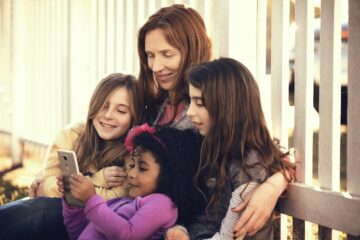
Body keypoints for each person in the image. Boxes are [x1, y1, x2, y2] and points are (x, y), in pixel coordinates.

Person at [137, 4, 292, 237]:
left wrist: (274, 183)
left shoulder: (209, 120)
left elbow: (268, 156)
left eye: (167, 54)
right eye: (150, 56)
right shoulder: (155, 107)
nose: (156, 67)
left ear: (191, 49)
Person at [0, 73, 139, 239]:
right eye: (103, 106)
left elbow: (114, 201)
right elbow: (46, 184)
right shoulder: (71, 135)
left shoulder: (133, 154)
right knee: (36, 209)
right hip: (55, 217)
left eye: (121, 110)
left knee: (46, 209)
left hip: (93, 229)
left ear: (133, 117)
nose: (108, 115)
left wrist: (63, 188)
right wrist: (96, 179)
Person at [166, 58, 294, 240]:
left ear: (228, 106)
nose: (189, 112)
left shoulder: (247, 160)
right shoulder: (208, 144)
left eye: (200, 103)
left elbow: (237, 233)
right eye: (191, 102)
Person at [58, 124, 205, 240]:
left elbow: (126, 235)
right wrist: (73, 203)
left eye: (142, 168)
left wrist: (91, 199)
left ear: (170, 175)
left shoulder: (163, 204)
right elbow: (79, 233)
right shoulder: (121, 203)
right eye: (132, 165)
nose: (132, 174)